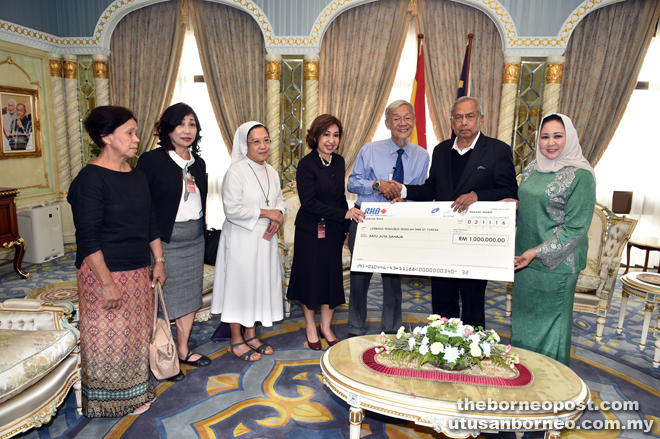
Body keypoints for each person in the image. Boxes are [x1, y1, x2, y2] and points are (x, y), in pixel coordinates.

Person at [68, 105, 166, 417]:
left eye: (135, 132)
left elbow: (150, 221)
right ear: (106, 137)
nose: (137, 139)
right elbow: (88, 237)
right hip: (104, 272)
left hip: (139, 269)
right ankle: (108, 401)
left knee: (135, 335)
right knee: (108, 338)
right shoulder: (90, 180)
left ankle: (135, 392)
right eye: (130, 133)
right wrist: (107, 284)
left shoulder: (136, 175)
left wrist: (159, 260)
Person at [392, 96, 518, 329]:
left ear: (480, 119)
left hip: (475, 241)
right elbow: (432, 188)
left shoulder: (497, 150)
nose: (464, 122)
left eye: (470, 116)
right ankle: (440, 348)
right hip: (442, 242)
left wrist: (477, 196)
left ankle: (472, 352)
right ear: (451, 121)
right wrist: (405, 192)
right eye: (458, 117)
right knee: (442, 300)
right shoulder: (440, 150)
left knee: (472, 301)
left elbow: (510, 191)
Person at [510, 113, 596, 365]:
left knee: (549, 329)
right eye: (545, 136)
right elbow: (532, 207)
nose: (550, 142)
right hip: (524, 263)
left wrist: (536, 252)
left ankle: (551, 389)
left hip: (556, 266)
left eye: (558, 136)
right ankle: (524, 377)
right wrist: (513, 205)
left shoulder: (582, 176)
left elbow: (575, 228)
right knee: (524, 325)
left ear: (569, 138)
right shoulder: (533, 168)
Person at [136, 103, 211, 381]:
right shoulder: (152, 161)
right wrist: (155, 254)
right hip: (164, 241)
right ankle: (160, 356)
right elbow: (144, 208)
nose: (187, 130)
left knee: (190, 296)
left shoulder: (198, 163)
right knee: (161, 299)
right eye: (180, 124)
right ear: (167, 128)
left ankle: (182, 349)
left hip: (194, 239)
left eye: (192, 124)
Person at [346, 100, 430, 337]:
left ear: (414, 121)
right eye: (396, 118)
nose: (402, 123)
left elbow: (419, 190)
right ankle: (355, 326)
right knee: (359, 278)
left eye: (407, 118)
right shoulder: (369, 150)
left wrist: (406, 200)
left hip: (398, 223)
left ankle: (392, 328)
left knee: (393, 280)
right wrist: (376, 184)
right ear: (387, 123)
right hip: (366, 221)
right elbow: (352, 183)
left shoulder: (422, 155)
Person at [286, 114, 365, 349]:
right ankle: (311, 326)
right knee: (311, 281)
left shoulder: (339, 162)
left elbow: (340, 198)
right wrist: (344, 215)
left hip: (332, 231)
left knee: (331, 280)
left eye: (335, 135)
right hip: (310, 232)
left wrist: (345, 228)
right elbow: (309, 203)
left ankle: (326, 326)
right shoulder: (306, 164)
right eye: (326, 134)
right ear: (315, 137)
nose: (331, 140)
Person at [211, 122, 286, 361]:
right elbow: (232, 210)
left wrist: (279, 215)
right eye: (257, 141)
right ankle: (236, 340)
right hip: (241, 239)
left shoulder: (272, 172)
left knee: (258, 285)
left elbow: (280, 201)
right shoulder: (236, 171)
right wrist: (267, 213)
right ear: (245, 145)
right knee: (239, 287)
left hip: (265, 241)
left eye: (266, 140)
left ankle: (252, 335)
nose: (263, 146)